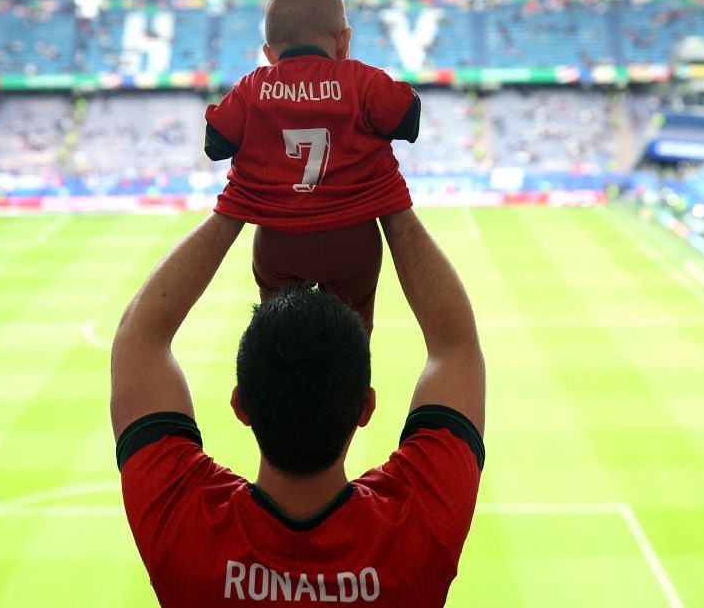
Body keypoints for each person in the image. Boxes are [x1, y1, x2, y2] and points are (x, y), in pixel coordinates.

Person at [111, 208, 484, 606]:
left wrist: (235, 205)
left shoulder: (184, 536)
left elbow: (139, 338)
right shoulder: (419, 534)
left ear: (241, 406)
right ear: (366, 408)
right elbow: (455, 346)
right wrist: (388, 200)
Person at [203, 0, 420, 333]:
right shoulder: (360, 79)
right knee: (352, 335)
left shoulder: (252, 87)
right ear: (344, 42)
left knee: (277, 335)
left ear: (269, 54)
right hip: (352, 239)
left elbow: (216, 143)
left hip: (279, 240)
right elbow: (406, 117)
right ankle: (351, 385)